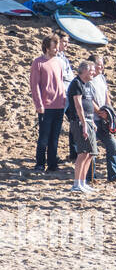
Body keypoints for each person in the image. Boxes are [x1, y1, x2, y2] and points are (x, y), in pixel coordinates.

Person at [30, 35, 65, 174]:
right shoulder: (38, 62)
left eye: (57, 46)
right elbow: (34, 85)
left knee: (55, 137)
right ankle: (40, 164)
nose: (57, 49)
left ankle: (52, 164)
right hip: (46, 106)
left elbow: (61, 81)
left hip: (59, 105)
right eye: (54, 46)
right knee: (43, 137)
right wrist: (39, 104)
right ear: (46, 47)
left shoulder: (59, 61)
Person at [66, 61, 98, 195]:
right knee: (82, 152)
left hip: (89, 121)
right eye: (91, 70)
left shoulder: (88, 84)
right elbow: (78, 105)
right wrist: (84, 123)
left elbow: (89, 102)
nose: (93, 73)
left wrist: (92, 121)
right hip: (79, 121)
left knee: (90, 153)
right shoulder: (76, 83)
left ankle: (83, 182)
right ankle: (76, 183)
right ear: (84, 71)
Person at [87, 56, 116, 184]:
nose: (101, 67)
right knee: (92, 149)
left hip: (104, 119)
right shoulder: (89, 80)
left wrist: (109, 110)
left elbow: (106, 94)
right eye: (99, 65)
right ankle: (92, 176)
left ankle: (113, 175)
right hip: (93, 119)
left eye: (102, 65)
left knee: (112, 145)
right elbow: (89, 99)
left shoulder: (101, 77)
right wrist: (100, 112)